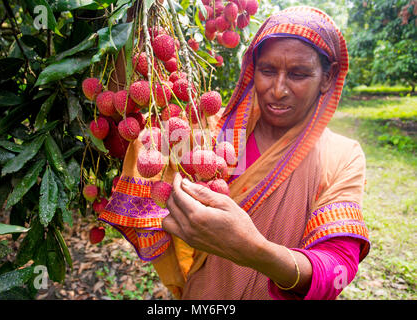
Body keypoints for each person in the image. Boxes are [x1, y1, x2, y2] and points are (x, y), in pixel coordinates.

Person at [99, 6, 370, 300]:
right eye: (267, 71)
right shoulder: (217, 138)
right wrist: (132, 27)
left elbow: (337, 269)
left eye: (298, 74)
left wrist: (252, 250)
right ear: (253, 69)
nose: (278, 90)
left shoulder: (341, 156)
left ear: (328, 77)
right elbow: (128, 121)